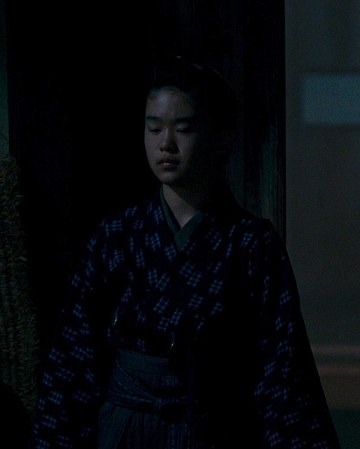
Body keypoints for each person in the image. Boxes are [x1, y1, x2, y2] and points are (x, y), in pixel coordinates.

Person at [30, 55, 341, 449]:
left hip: (214, 428)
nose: (166, 144)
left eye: (184, 129)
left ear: (222, 139)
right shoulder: (117, 235)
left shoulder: (250, 243)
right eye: (154, 128)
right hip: (126, 428)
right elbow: (72, 358)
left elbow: (283, 370)